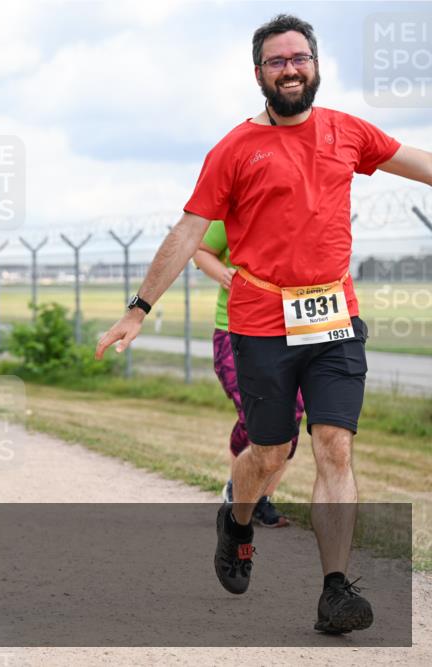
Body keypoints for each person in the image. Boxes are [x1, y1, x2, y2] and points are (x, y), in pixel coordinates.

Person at [96, 14, 431, 634]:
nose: (290, 69)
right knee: (271, 450)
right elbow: (188, 234)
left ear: (316, 65)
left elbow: (419, 161)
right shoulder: (234, 149)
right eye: (277, 61)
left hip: (334, 315)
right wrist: (138, 308)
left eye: (299, 58)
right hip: (260, 324)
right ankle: (237, 519)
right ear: (259, 74)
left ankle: (335, 590)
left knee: (334, 445)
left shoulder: (348, 131)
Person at [194, 220, 304, 528]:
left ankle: (261, 499)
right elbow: (200, 250)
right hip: (234, 331)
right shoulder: (234, 213)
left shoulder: (299, 213)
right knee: (254, 415)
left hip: (289, 331)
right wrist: (224, 275)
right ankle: (238, 490)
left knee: (292, 417)